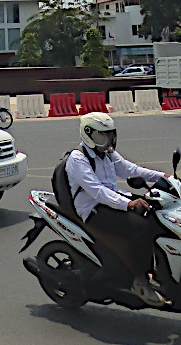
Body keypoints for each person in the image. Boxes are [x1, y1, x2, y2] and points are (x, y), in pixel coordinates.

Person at [65, 112, 169, 306]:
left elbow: (131, 169)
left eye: (110, 135)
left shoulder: (107, 154)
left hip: (113, 201)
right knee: (141, 228)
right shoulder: (78, 159)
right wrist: (128, 204)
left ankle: (157, 270)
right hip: (93, 210)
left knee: (156, 215)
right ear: (88, 134)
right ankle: (140, 280)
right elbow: (97, 192)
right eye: (102, 135)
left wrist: (162, 177)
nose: (108, 140)